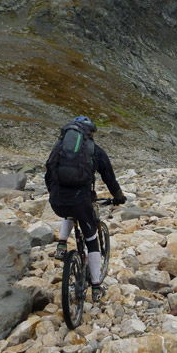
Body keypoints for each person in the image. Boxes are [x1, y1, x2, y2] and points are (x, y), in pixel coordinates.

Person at [45, 116, 126, 302]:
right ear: (91, 133)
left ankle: (62, 244)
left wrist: (54, 193)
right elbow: (110, 179)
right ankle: (96, 286)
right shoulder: (95, 151)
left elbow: (48, 173)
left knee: (68, 213)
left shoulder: (59, 149)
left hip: (57, 201)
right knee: (91, 240)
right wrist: (119, 197)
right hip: (81, 201)